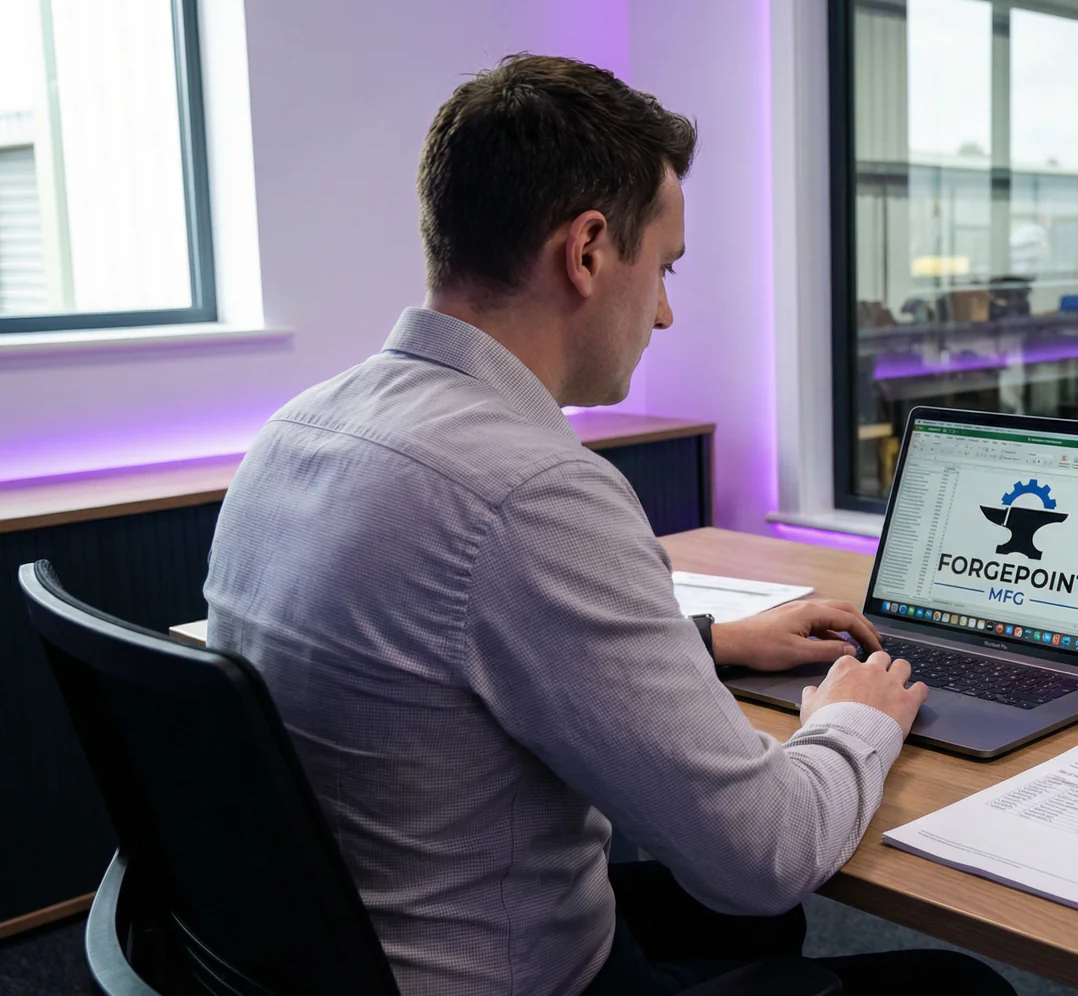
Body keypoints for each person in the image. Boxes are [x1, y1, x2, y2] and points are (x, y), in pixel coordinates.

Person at [203, 55, 1011, 996]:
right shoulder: (531, 489)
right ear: (587, 253)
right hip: (508, 976)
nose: (665, 313)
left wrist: (709, 644)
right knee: (960, 988)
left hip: (328, 952)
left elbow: (453, 649)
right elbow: (768, 854)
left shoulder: (299, 427)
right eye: (663, 268)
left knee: (737, 924)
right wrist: (849, 725)